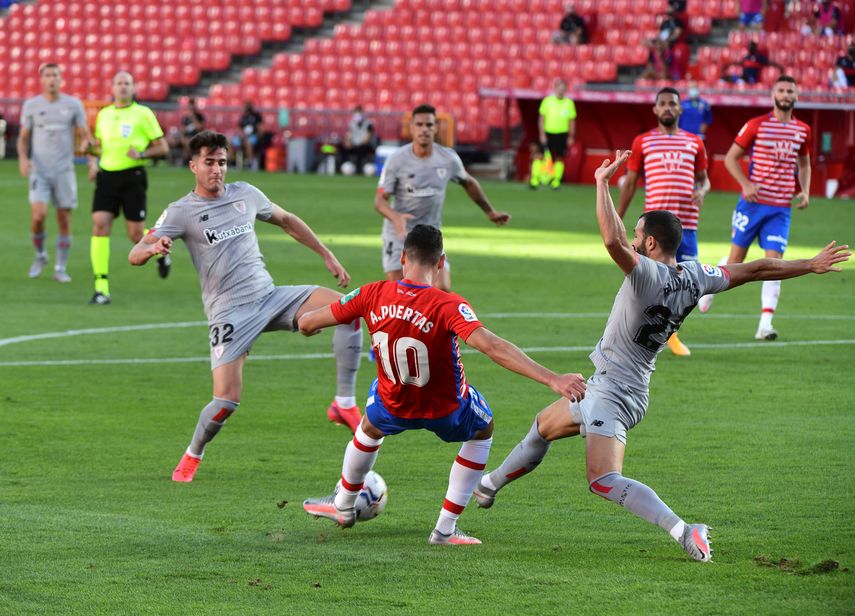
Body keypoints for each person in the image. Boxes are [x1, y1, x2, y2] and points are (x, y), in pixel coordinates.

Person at [473, 150, 850, 562]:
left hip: (614, 391)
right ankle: (488, 486)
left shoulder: (644, 275)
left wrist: (600, 184)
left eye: (639, 236)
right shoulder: (696, 275)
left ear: (650, 243)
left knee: (602, 479)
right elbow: (758, 269)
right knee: (544, 426)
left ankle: (685, 531)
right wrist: (809, 264)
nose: (633, 241)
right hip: (624, 385)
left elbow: (611, 240)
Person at [300, 224, 588, 544]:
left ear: (402, 257)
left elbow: (308, 321)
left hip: (393, 403)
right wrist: (552, 378)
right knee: (483, 429)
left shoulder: (371, 293)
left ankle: (342, 504)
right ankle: (445, 529)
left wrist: (307, 325)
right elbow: (492, 346)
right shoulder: (447, 305)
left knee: (369, 424)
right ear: (441, 263)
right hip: (445, 408)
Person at [128, 130, 365, 482]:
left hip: (270, 297)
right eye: (209, 162)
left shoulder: (246, 194)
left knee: (351, 309)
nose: (217, 170)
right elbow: (135, 254)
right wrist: (152, 249)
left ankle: (343, 403)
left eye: (222, 162)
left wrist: (326, 254)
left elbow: (287, 220)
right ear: (193, 165)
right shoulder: (181, 212)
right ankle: (194, 454)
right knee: (225, 402)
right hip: (230, 314)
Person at [697, 76, 812, 340]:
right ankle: (710, 290)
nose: (785, 94)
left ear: (796, 95)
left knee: (775, 264)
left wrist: (804, 190)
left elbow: (804, 164)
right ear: (773, 94)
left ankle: (765, 325)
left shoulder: (802, 130)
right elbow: (730, 158)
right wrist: (746, 184)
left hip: (780, 208)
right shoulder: (756, 125)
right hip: (752, 205)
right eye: (781, 90)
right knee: (737, 259)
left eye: (790, 91)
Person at [375, 104, 510, 291]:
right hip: (399, 235)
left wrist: (490, 212)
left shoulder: (447, 158)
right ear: (411, 127)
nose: (424, 129)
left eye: (429, 125)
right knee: (400, 293)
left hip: (431, 235)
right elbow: (379, 201)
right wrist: (396, 217)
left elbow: (469, 183)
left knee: (442, 288)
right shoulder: (397, 160)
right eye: (419, 124)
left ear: (436, 128)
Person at [618, 87, 710, 357]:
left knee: (688, 283)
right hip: (655, 229)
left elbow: (704, 179)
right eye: (663, 103)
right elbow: (632, 182)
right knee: (653, 281)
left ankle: (669, 331)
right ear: (655, 110)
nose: (668, 107)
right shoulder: (643, 141)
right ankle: (660, 336)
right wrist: (619, 217)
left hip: (687, 224)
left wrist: (702, 191)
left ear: (680, 109)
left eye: (673, 103)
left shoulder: (695, 142)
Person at [86, 71, 170, 305]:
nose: (123, 87)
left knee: (135, 234)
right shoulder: (104, 115)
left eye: (127, 83)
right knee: (100, 225)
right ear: (112, 88)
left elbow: (163, 148)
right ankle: (101, 288)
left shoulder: (143, 114)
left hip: (132, 177)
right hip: (107, 178)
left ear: (133, 88)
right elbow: (100, 148)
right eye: (119, 83)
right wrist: (91, 155)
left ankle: (159, 251)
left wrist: (142, 154)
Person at [17, 63, 93, 283]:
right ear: (41, 80)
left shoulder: (73, 104)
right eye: (48, 75)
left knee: (64, 219)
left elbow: (84, 135)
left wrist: (91, 160)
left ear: (61, 79)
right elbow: (23, 137)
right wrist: (23, 158)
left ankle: (60, 267)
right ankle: (40, 256)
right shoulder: (32, 105)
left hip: (64, 170)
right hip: (39, 170)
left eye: (55, 75)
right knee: (38, 216)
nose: (52, 79)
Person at [532, 79, 577, 190]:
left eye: (563, 88)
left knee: (559, 158)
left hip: (562, 134)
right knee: (539, 156)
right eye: (559, 88)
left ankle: (556, 181)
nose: (561, 91)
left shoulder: (569, 103)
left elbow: (572, 121)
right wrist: (542, 134)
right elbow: (541, 119)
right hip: (548, 133)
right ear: (555, 88)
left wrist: (571, 136)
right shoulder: (547, 101)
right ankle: (534, 179)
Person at [341, 105, 376, 173]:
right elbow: (349, 135)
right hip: (354, 146)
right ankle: (347, 165)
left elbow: (367, 138)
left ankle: (362, 167)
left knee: (361, 150)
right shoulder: (352, 123)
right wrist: (347, 142)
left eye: (358, 113)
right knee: (344, 149)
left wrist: (357, 144)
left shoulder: (368, 124)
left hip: (365, 147)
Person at [179, 97, 206, 164]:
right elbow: (182, 130)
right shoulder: (185, 117)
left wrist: (193, 118)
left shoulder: (200, 116)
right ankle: (188, 160)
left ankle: (189, 159)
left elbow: (200, 127)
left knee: (189, 142)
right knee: (184, 140)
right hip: (187, 137)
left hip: (197, 136)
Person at [238, 101, 263, 170]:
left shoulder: (256, 116)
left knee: (249, 143)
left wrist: (259, 137)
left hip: (253, 136)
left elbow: (260, 128)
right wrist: (241, 135)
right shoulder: (243, 117)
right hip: (243, 136)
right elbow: (239, 128)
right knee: (229, 141)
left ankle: (250, 162)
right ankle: (231, 162)